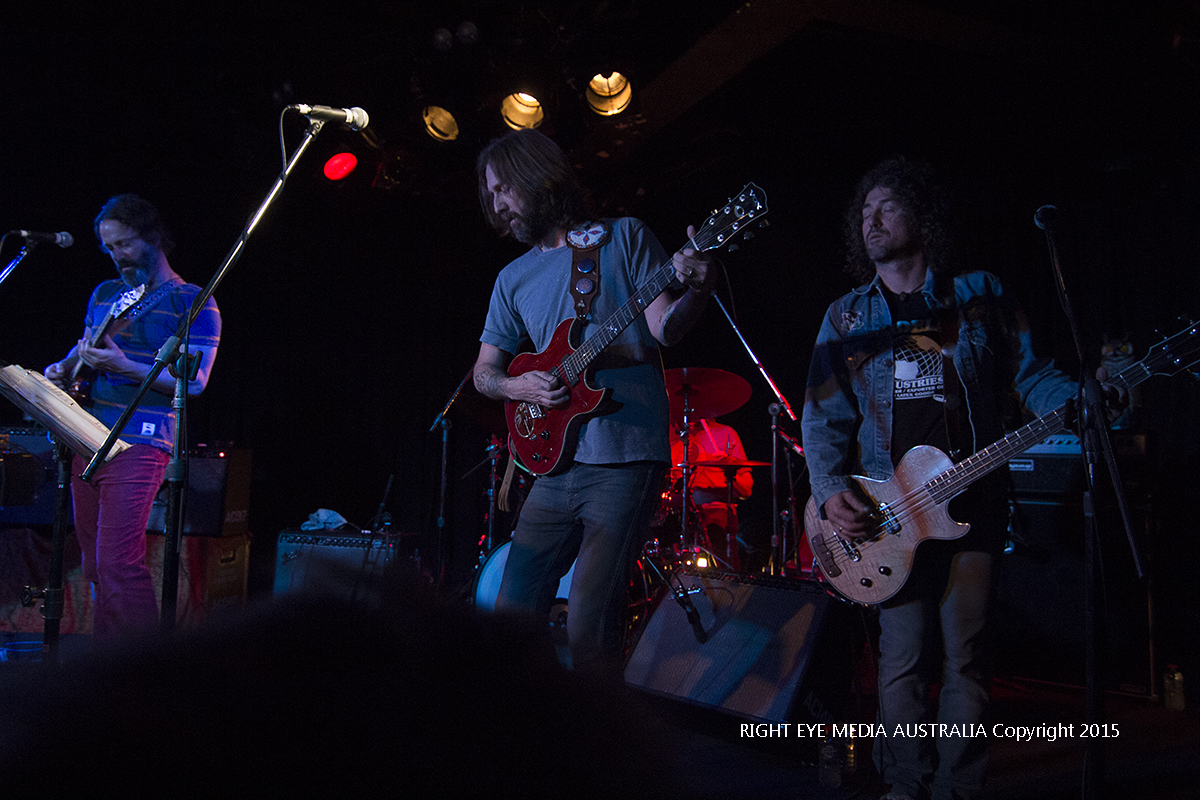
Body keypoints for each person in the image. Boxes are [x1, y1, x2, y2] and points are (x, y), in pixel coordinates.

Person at [800, 157, 1103, 800]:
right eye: (864, 211)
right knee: (902, 658)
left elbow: (1032, 376)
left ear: (921, 215)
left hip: (976, 503)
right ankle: (904, 785)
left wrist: (1085, 397)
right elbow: (823, 418)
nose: (872, 219)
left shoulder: (980, 294)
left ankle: (957, 789)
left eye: (887, 206)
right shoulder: (847, 316)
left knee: (967, 657)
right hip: (887, 514)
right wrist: (829, 495)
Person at [472, 129, 715, 672]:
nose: (498, 205)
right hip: (554, 465)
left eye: (504, 188)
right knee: (510, 615)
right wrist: (518, 386)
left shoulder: (623, 236)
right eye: (490, 194)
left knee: (589, 621)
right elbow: (485, 373)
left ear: (537, 175)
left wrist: (697, 288)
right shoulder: (512, 278)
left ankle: (599, 724)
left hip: (625, 457)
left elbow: (665, 328)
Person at [44, 194, 220, 638]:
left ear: (153, 238)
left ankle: (145, 665)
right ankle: (109, 662)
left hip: (142, 440)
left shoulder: (193, 301)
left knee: (117, 562)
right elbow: (86, 347)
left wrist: (124, 367)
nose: (116, 255)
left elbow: (194, 382)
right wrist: (64, 366)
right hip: (88, 434)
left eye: (123, 244)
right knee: (94, 564)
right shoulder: (107, 294)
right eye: (108, 247)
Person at [669, 417, 752, 570]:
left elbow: (746, 489)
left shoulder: (725, 433)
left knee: (717, 528)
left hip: (715, 511)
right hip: (673, 514)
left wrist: (728, 472)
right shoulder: (667, 435)